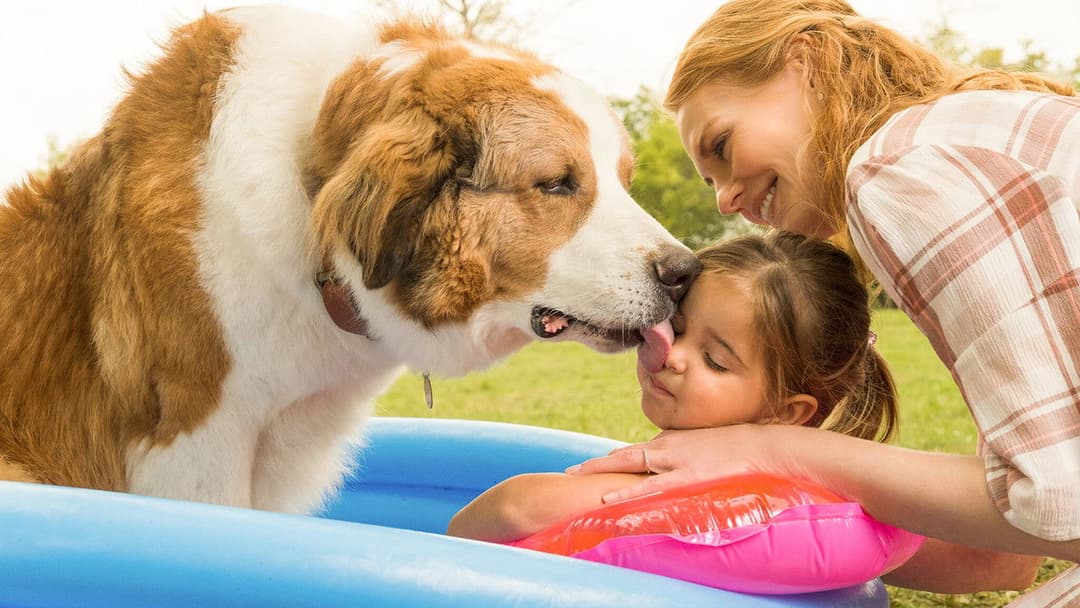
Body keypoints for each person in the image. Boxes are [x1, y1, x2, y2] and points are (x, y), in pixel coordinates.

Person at [568, 0, 1079, 601]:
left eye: (724, 146)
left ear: (804, 60)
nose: (725, 201)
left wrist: (775, 449)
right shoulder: (958, 129)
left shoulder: (900, 170)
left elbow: (1058, 510)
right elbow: (1010, 552)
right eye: (710, 182)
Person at [448, 231, 901, 543]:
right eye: (677, 329)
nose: (675, 356)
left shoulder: (736, 489)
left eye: (715, 360)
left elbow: (516, 508)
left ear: (786, 414)